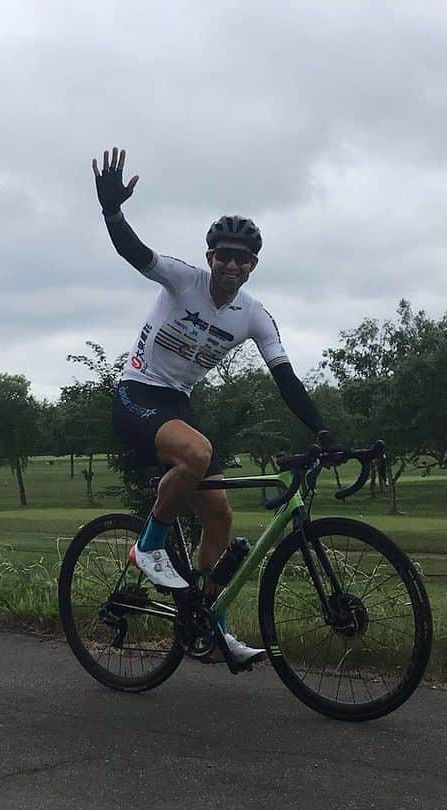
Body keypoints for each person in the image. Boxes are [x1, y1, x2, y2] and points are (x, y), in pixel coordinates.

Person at [93, 147, 333, 666]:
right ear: (209, 259)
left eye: (241, 257)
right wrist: (113, 213)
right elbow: (137, 254)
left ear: (252, 266)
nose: (230, 263)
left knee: (220, 518)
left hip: (177, 405)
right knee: (197, 453)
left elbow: (286, 380)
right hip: (137, 394)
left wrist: (322, 432)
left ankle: (209, 626)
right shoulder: (184, 281)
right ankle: (148, 547)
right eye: (222, 254)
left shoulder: (254, 316)